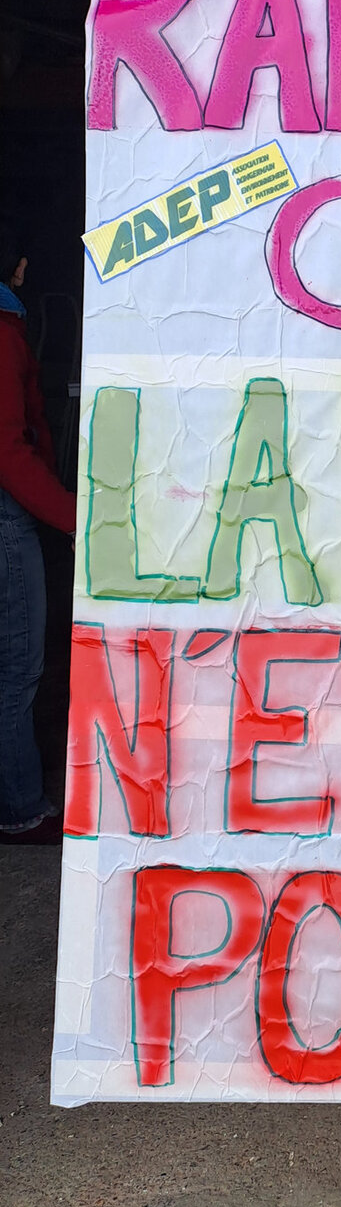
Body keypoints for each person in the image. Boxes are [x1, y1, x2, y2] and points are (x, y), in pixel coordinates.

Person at [0, 224, 76, 844]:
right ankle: (20, 808)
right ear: (20, 268)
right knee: (17, 669)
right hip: (7, 518)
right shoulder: (3, 334)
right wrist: (74, 518)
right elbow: (8, 450)